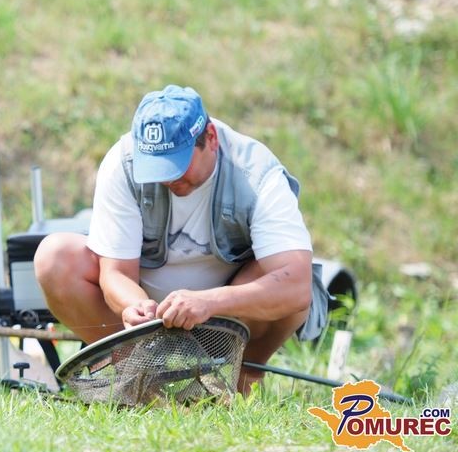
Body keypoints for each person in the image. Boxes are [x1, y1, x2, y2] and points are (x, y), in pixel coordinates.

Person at [34, 85, 329, 392]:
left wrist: (209, 302)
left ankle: (240, 380)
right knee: (54, 257)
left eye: (177, 163)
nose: (167, 178)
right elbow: (115, 273)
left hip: (230, 316)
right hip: (148, 322)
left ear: (211, 138)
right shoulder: (123, 163)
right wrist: (133, 306)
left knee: (289, 278)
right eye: (156, 166)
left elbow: (296, 286)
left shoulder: (257, 173)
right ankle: (138, 382)